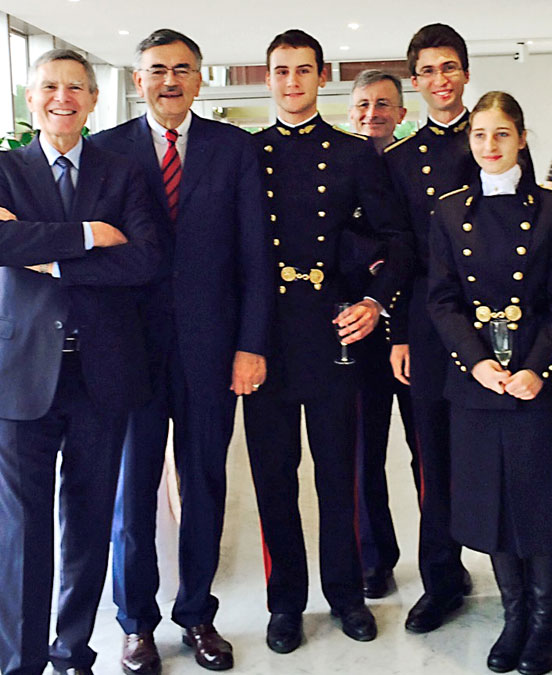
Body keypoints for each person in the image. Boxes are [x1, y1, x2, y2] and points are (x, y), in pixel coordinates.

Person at [92, 29, 270, 674]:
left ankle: (197, 613)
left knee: (205, 485)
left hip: (211, 351)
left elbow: (256, 256)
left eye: (183, 70)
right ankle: (136, 624)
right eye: (157, 70)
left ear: (200, 80)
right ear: (138, 80)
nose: (170, 80)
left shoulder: (234, 150)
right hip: (130, 354)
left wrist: (251, 345)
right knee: (132, 491)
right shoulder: (104, 150)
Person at [243, 29, 413, 652]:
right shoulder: (248, 153)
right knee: (272, 476)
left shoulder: (353, 154)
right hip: (264, 337)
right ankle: (285, 602)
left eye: (304, 71)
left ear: (322, 78)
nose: (292, 82)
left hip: (335, 332)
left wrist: (375, 303)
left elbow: (397, 240)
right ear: (269, 78)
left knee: (339, 472)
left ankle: (345, 594)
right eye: (281, 71)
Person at [0, 49, 160, 675]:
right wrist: (91, 233)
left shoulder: (122, 173)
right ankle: (19, 662)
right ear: (30, 97)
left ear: (94, 100)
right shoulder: (5, 169)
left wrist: (46, 253)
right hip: (20, 375)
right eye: (48, 87)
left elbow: (146, 258)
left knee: (91, 521)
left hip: (104, 372)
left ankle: (72, 650)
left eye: (75, 88)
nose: (61, 97)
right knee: (21, 532)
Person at [428, 91, 552, 675]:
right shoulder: (448, 210)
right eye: (479, 135)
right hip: (478, 380)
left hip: (536, 377)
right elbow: (441, 301)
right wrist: (476, 362)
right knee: (489, 500)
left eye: (500, 134)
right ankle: (514, 613)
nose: (489, 146)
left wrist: (536, 369)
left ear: (521, 138)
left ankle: (545, 617)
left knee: (539, 500)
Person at [383, 23, 478, 634]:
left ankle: (520, 581)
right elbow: (397, 253)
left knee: (498, 449)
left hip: (499, 323)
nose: (440, 81)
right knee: (431, 456)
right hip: (426, 323)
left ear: (466, 73)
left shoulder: (498, 138)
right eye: (428, 71)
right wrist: (398, 333)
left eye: (450, 68)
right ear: (415, 82)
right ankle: (441, 577)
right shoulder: (397, 161)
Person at [347, 68, 417, 600]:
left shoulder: (416, 165)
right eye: (364, 104)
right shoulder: (341, 164)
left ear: (401, 112)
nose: (373, 113)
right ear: (352, 111)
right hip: (362, 333)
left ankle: (444, 560)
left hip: (418, 329)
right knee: (364, 453)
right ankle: (375, 557)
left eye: (384, 104)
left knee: (429, 454)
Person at [349, 69, 408, 154]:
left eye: (382, 104)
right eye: (364, 105)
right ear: (352, 114)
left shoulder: (414, 160)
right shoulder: (335, 161)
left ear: (401, 115)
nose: (371, 114)